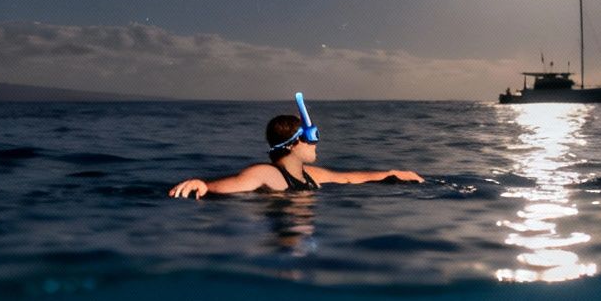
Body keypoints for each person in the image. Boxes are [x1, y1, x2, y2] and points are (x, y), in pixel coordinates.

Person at [169, 103, 423, 198]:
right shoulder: (269, 174)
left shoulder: (310, 174)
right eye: (311, 137)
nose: (316, 142)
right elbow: (237, 183)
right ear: (292, 144)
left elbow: (348, 178)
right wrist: (203, 185)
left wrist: (393, 173)